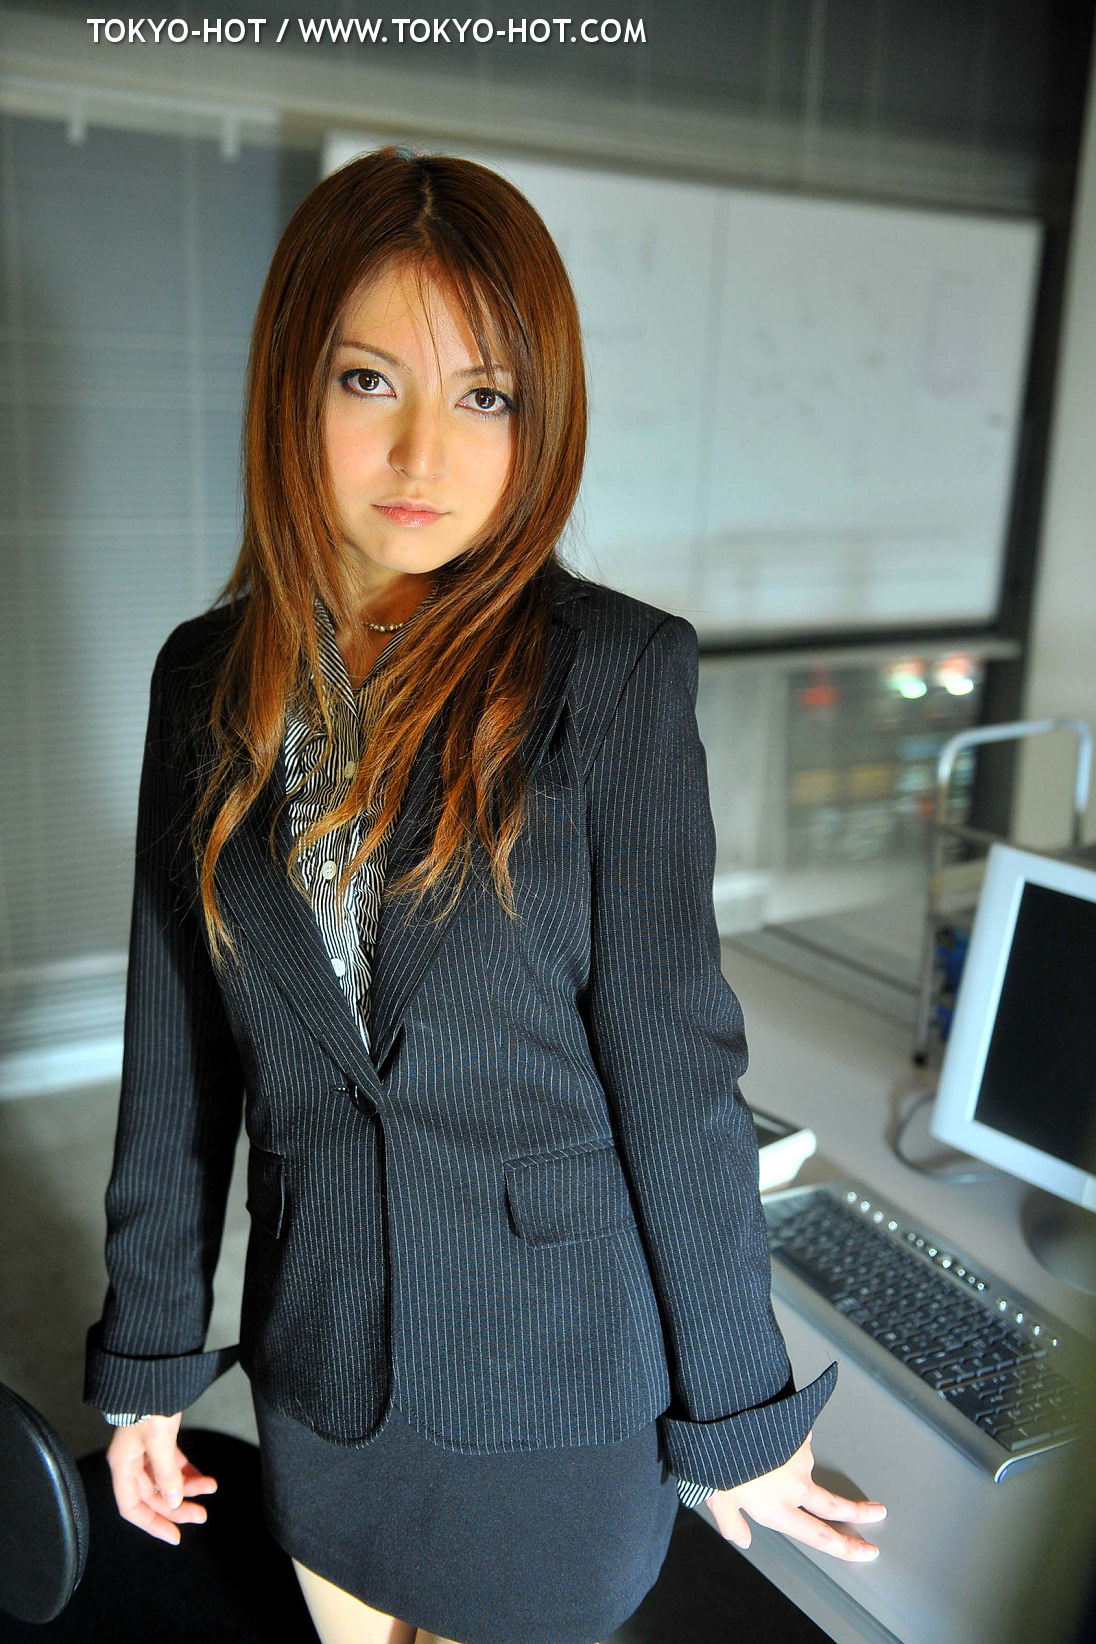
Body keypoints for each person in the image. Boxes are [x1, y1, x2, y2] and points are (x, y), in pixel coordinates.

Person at [84, 146, 888, 1644]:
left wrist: (739, 1409)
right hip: (323, 1368)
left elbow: (672, 1064)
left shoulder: (614, 672)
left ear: (542, 417)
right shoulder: (204, 680)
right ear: (292, 389)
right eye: (369, 381)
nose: (422, 457)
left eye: (485, 397)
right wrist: (147, 1365)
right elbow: (176, 1055)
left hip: (557, 1395)